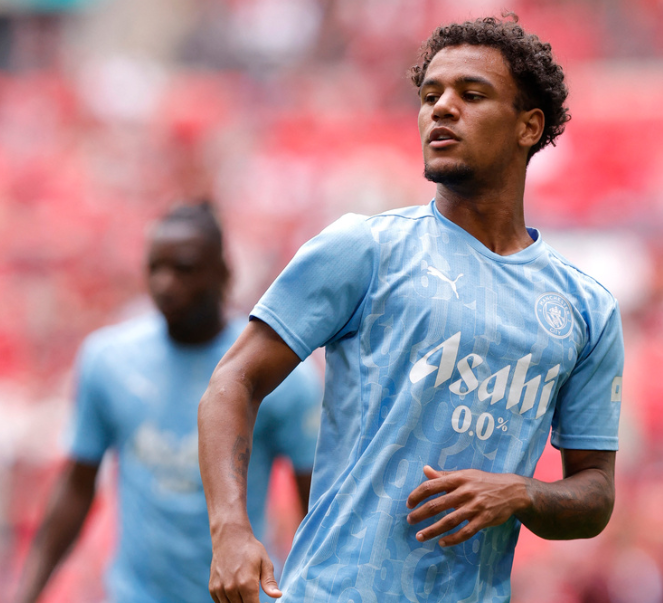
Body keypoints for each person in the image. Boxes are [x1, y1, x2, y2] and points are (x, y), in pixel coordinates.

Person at [198, 15, 624, 603]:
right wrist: (230, 530)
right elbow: (233, 380)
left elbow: (595, 493)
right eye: (430, 96)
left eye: (470, 95)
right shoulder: (364, 249)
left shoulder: (585, 308)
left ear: (530, 126)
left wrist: (521, 493)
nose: (441, 108)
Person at [14, 203, 322, 603]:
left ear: (223, 273)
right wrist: (28, 592)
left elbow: (313, 504)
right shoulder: (108, 361)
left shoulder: (278, 375)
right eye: (155, 267)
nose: (165, 283)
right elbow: (76, 486)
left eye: (184, 268)